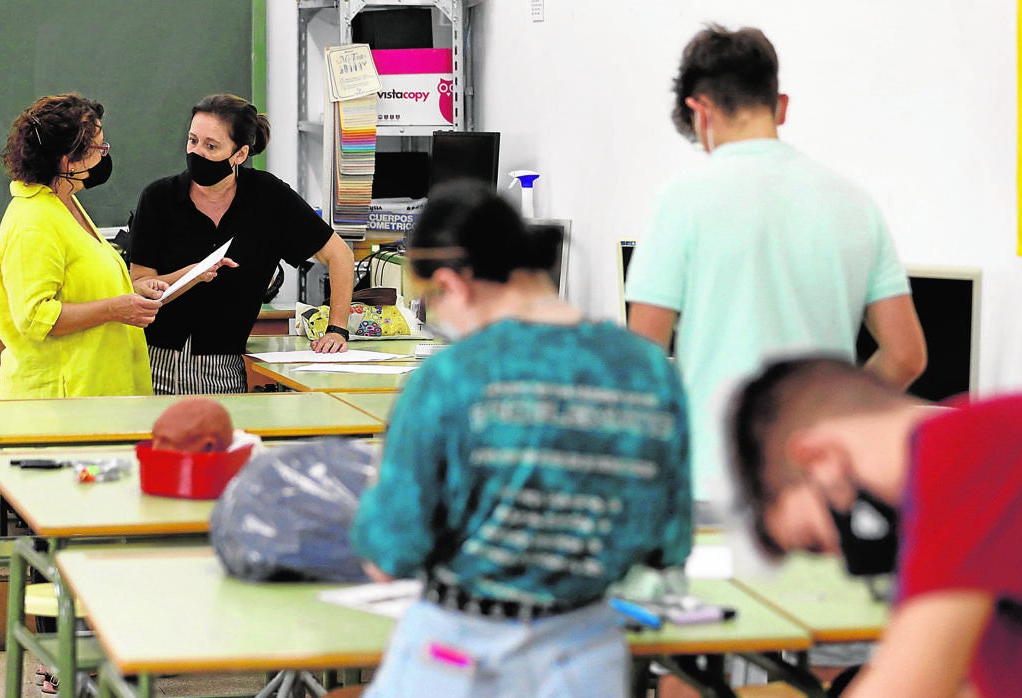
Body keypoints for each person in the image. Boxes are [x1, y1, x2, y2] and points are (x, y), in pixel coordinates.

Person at [349, 181, 692, 698]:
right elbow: (669, 542)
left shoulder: (451, 378)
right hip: (587, 655)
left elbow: (389, 551)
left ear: (452, 284)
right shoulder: (648, 369)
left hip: (459, 654)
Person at [625, 25, 927, 505]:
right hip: (821, 486)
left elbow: (639, 361)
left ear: (698, 112)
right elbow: (907, 356)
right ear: (780, 105)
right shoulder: (854, 203)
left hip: (715, 482)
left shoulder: (681, 201)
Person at [729, 355, 1022, 698]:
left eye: (813, 540)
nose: (841, 560)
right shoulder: (987, 478)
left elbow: (907, 689)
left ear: (818, 457)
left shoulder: (965, 446)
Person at [129, 94, 355, 394]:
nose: (197, 152)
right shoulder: (159, 197)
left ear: (239, 153)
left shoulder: (268, 196)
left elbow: (340, 254)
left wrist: (337, 330)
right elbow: (140, 283)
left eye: (211, 146)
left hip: (224, 369)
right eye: (192, 140)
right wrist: (192, 275)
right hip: (152, 363)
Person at [0, 93, 165, 399]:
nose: (104, 155)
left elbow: (78, 286)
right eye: (99, 147)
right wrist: (114, 308)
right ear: (67, 160)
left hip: (95, 389)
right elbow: (35, 318)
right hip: (59, 401)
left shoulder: (64, 202)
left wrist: (131, 294)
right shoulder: (33, 221)